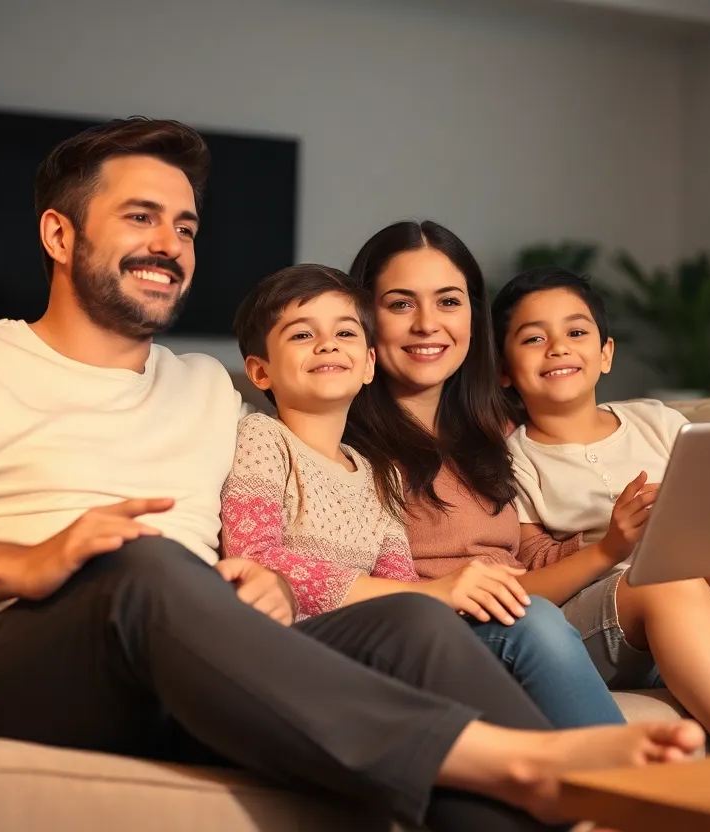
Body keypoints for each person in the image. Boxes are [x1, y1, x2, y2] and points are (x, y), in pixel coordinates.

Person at [0, 118, 702, 832]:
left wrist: (262, 575)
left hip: (186, 655)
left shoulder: (207, 392)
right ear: (58, 235)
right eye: (139, 217)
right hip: (16, 656)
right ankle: (521, 761)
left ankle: (567, 805)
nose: (171, 242)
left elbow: (293, 503)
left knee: (413, 627)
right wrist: (24, 563)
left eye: (184, 225)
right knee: (137, 566)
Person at [222, 263, 616, 733]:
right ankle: (615, 780)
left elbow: (401, 584)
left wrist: (447, 595)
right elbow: (256, 558)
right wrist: (431, 593)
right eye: (302, 335)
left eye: (345, 333)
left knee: (528, 619)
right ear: (260, 371)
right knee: (517, 626)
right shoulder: (263, 438)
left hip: (385, 636)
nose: (327, 344)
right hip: (303, 641)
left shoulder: (376, 472)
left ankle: (591, 774)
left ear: (368, 364)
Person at [488, 265, 710, 752]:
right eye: (534, 338)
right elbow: (530, 581)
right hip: (602, 627)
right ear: (504, 371)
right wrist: (614, 545)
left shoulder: (656, 421)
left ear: (606, 354)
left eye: (576, 332)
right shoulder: (513, 460)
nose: (558, 347)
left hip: (698, 624)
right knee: (667, 578)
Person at [343, 220, 626, 731]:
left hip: (526, 615)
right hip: (433, 631)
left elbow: (539, 551)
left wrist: (629, 531)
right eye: (401, 303)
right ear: (364, 315)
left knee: (676, 589)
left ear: (474, 315)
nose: (428, 324)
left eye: (449, 301)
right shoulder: (336, 433)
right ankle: (630, 792)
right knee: (532, 619)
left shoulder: (500, 428)